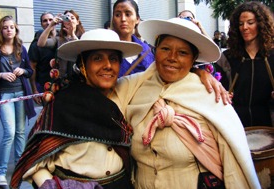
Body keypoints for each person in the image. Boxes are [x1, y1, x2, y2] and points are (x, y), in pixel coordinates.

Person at [111, 18, 260, 188]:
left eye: (183, 53)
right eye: (165, 49)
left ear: (194, 58)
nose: (172, 57)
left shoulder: (210, 95)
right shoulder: (135, 89)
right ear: (154, 51)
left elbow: (234, 162)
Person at [10, 29, 143, 189]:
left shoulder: (125, 91)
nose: (107, 65)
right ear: (82, 64)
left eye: (113, 59)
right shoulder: (62, 101)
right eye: (97, 58)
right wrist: (50, 185)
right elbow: (36, 160)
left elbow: (156, 73)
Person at [0, 15, 36, 187]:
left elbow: (29, 71)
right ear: (0, 30)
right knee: (9, 133)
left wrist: (22, 71)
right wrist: (0, 75)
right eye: (5, 27)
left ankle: (20, 166)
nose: (9, 30)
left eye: (11, 27)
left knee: (20, 132)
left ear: (16, 30)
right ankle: (0, 173)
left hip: (21, 94)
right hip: (4, 96)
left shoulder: (20, 48)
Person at [216, 1, 274, 128]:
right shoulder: (227, 58)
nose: (245, 27)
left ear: (261, 24)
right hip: (235, 124)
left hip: (268, 124)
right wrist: (223, 94)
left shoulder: (272, 56)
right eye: (241, 24)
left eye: (250, 23)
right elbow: (216, 88)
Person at [111, 0, 155, 77]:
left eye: (128, 14)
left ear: (137, 19)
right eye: (118, 15)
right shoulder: (107, 48)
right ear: (113, 20)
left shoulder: (146, 50)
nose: (123, 19)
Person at [37, 10, 85, 79]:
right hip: (62, 79)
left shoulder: (83, 37)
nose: (70, 20)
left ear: (77, 22)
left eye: (72, 18)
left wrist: (73, 35)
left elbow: (81, 50)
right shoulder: (59, 39)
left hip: (79, 78)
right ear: (63, 22)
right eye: (67, 18)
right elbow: (40, 43)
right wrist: (51, 25)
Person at [29, 12, 57, 105]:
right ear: (41, 25)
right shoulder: (36, 45)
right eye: (45, 21)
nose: (48, 23)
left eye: (50, 20)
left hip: (62, 84)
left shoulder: (62, 39)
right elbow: (32, 67)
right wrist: (34, 90)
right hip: (45, 86)